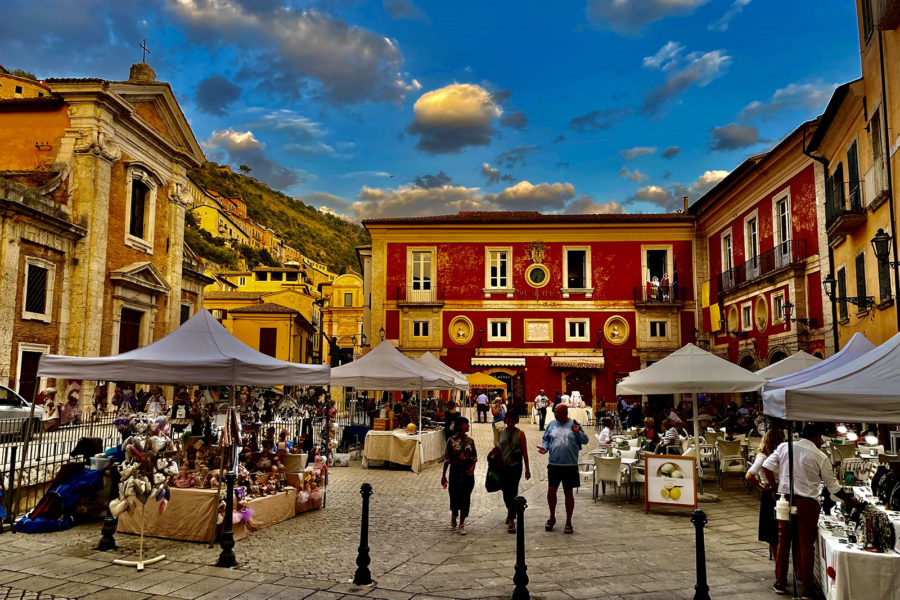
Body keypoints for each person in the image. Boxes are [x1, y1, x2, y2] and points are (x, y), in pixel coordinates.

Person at [761, 423, 863, 598]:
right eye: (821, 438)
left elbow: (766, 465)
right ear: (816, 437)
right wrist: (849, 500)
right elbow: (833, 487)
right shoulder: (819, 455)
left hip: (785, 499)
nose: (822, 441)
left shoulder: (785, 447)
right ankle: (807, 588)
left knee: (783, 541)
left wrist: (773, 486)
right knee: (805, 545)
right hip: (807, 503)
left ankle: (780, 583)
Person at [538, 404, 589, 534]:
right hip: (554, 464)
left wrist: (577, 432)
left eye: (558, 412)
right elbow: (546, 439)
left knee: (568, 493)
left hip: (570, 465)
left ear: (565, 413)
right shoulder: (551, 424)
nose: (555, 414)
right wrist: (545, 448)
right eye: (555, 412)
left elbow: (585, 440)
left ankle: (568, 522)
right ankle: (552, 517)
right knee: (551, 491)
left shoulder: (574, 423)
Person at [745, 425, 785, 561]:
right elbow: (749, 476)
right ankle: (779, 561)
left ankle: (779, 561)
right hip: (776, 491)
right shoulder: (766, 456)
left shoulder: (769, 455)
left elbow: (750, 476)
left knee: (775, 532)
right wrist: (763, 486)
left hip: (773, 492)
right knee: (777, 532)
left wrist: (762, 486)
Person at [496, 410, 531, 533]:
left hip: (516, 467)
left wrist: (527, 469)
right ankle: (511, 511)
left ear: (515, 421)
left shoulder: (520, 434)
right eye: (508, 421)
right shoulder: (501, 432)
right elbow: (498, 449)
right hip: (503, 468)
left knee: (513, 491)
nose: (510, 424)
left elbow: (525, 453)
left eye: (512, 422)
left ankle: (511, 519)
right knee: (505, 493)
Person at [441, 417, 477, 535]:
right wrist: (443, 475)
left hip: (467, 472)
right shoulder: (451, 441)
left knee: (465, 497)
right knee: (454, 495)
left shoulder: (470, 441)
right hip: (455, 471)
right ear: (460, 425)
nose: (468, 426)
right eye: (466, 424)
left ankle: (462, 523)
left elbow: (474, 458)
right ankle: (454, 514)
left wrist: (472, 469)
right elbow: (447, 459)